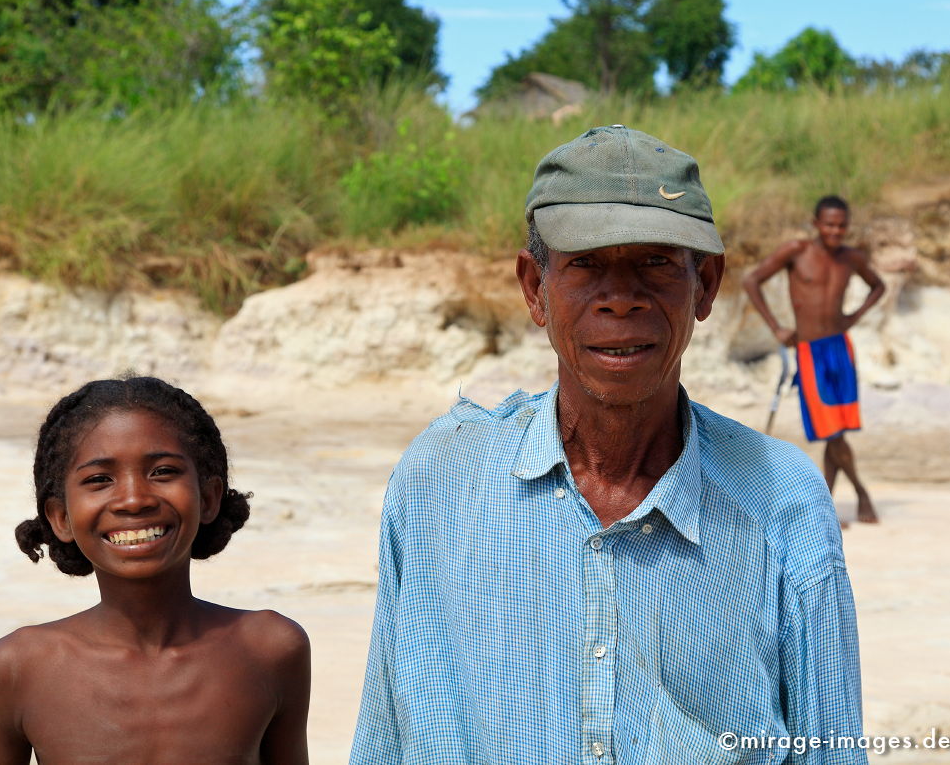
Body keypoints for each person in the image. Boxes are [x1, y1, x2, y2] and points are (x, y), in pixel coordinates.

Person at [351, 126, 867, 764]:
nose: (620, 300)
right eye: (586, 264)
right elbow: (384, 733)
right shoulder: (441, 481)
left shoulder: (781, 498)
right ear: (535, 288)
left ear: (704, 285)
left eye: (655, 262)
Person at [0, 376, 311, 765]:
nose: (133, 500)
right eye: (100, 479)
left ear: (209, 497)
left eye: (163, 471)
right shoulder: (16, 668)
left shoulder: (271, 649)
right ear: (61, 517)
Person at [743, 196, 885, 524]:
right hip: (810, 352)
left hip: (840, 348)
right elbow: (752, 281)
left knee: (837, 429)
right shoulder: (796, 251)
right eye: (829, 224)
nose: (836, 231)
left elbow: (878, 286)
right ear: (816, 223)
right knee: (832, 430)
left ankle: (828, 508)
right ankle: (861, 495)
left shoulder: (852, 258)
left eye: (841, 225)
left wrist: (855, 315)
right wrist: (776, 327)